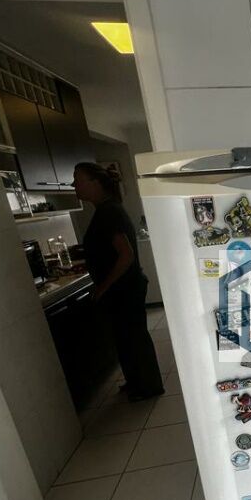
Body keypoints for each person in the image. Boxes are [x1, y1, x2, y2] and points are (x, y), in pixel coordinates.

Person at [74, 162, 164, 401]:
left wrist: (103, 287)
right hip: (124, 288)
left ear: (95, 182)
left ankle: (148, 386)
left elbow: (126, 255)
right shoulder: (107, 209)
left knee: (133, 338)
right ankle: (137, 382)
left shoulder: (109, 212)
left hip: (124, 289)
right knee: (126, 338)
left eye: (78, 180)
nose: (74, 185)